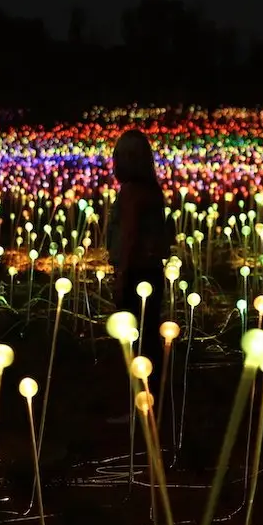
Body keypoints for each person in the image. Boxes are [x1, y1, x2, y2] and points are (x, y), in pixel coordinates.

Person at [111, 127, 170, 368]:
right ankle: (153, 385)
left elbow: (130, 233)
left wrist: (122, 275)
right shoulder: (153, 191)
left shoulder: (131, 193)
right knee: (148, 332)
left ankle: (136, 388)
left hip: (135, 272)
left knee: (132, 334)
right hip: (153, 271)